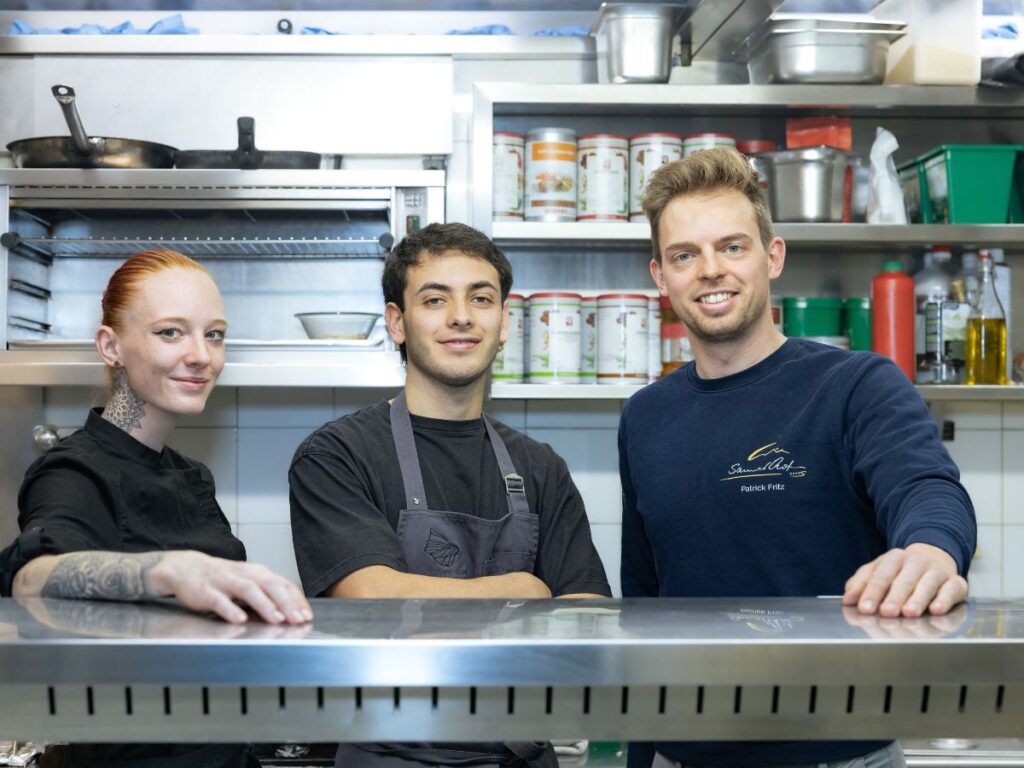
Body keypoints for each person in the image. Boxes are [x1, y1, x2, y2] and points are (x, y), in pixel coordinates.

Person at [619, 149, 977, 768]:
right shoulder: (644, 417)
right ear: (660, 275)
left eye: (732, 247)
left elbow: (925, 486)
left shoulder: (856, 384)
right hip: (685, 755)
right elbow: (644, 607)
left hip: (839, 754)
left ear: (773, 256)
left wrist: (931, 550)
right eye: (685, 255)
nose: (710, 271)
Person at [289, 222, 611, 768]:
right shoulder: (337, 455)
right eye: (435, 299)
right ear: (397, 322)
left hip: (521, 754)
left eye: (481, 298)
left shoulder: (540, 467)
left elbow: (588, 615)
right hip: (390, 756)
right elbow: (370, 599)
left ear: (504, 322)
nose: (462, 316)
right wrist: (522, 590)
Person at [0, 248, 312, 768]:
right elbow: (33, 578)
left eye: (214, 334)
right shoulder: (73, 471)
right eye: (171, 332)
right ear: (111, 345)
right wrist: (168, 568)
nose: (201, 356)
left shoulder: (190, 474)